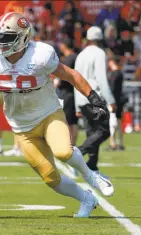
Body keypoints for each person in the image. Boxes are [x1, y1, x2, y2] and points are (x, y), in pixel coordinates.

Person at [0, 12, 114, 218]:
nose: (0, 43)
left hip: (48, 114)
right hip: (21, 126)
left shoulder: (40, 55)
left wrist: (95, 98)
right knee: (50, 178)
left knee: (63, 152)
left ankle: (92, 175)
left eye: (6, 38)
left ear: (23, 38)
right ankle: (87, 199)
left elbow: (71, 75)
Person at [74, 26, 116, 176]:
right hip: (95, 97)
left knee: (92, 132)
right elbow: (101, 79)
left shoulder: (81, 55)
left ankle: (92, 168)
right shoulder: (99, 53)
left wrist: (77, 106)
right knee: (104, 131)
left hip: (81, 98)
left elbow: (75, 79)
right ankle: (78, 152)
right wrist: (110, 100)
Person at [57, 38, 78, 145]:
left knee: (67, 120)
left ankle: (68, 144)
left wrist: (56, 83)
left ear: (64, 46)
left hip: (67, 92)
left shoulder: (68, 59)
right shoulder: (76, 57)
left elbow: (62, 75)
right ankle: (72, 144)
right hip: (74, 91)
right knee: (73, 121)